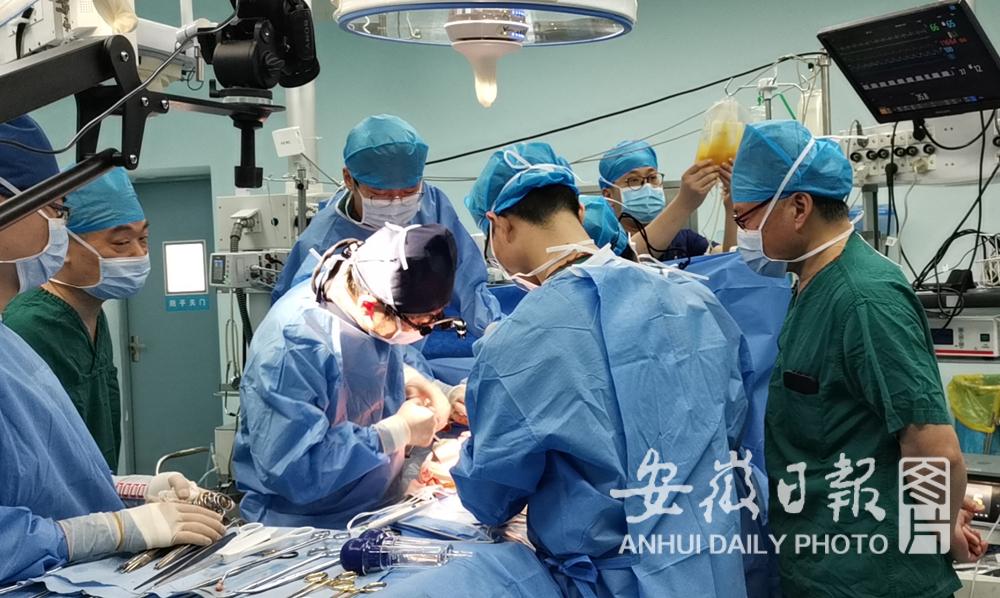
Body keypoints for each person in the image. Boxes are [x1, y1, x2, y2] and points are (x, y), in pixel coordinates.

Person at [454, 142, 752, 597]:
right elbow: (732, 422)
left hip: (614, 582)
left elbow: (491, 497)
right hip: (710, 561)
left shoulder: (516, 343)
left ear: (500, 226)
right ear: (578, 208)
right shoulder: (692, 298)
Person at [731, 120, 985, 597]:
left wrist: (941, 532)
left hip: (877, 578)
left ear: (798, 207)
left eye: (745, 218)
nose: (742, 233)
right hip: (827, 565)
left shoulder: (865, 300)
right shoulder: (810, 284)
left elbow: (934, 449)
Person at [0, 116, 224, 584]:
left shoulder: (11, 347)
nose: (59, 226)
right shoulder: (32, 327)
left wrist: (135, 492)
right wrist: (112, 529)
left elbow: (50, 475)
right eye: (54, 208)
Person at [233, 223, 464, 528]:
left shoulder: (364, 300)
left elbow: (374, 361)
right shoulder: (292, 347)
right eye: (420, 324)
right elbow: (293, 470)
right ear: (369, 306)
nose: (422, 332)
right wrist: (396, 432)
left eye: (436, 319)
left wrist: (427, 386)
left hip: (372, 510)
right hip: (303, 528)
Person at [270, 114, 501, 337]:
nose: (397, 202)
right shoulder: (323, 244)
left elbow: (465, 276)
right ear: (349, 179)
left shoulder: (431, 204)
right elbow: (306, 323)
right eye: (380, 193)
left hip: (417, 335)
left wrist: (490, 329)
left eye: (409, 192)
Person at [4, 167, 149, 471]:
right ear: (64, 244)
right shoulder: (28, 327)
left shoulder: (92, 314)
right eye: (121, 243)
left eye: (144, 239)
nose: (138, 254)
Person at [599, 140, 736, 260]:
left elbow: (730, 260)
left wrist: (732, 205)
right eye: (634, 180)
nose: (647, 186)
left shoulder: (684, 240)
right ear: (608, 195)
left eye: (652, 178)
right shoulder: (603, 240)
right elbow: (629, 259)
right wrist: (684, 203)